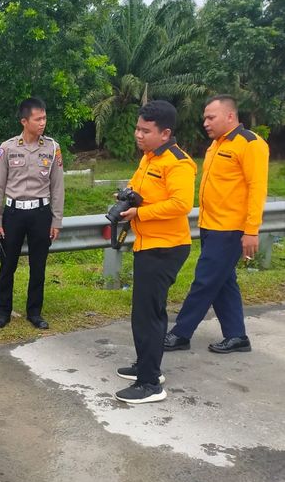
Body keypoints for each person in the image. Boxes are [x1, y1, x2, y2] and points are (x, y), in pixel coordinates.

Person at [164, 95, 269, 354]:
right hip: (211, 225)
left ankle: (180, 333)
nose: (205, 123)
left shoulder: (250, 143)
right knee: (223, 282)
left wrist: (251, 230)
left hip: (231, 228)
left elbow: (257, 189)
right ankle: (237, 336)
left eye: (211, 117)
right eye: (204, 118)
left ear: (230, 116)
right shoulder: (216, 145)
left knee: (205, 281)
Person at [114, 100, 196, 404]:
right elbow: (140, 189)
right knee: (142, 312)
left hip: (166, 247)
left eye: (145, 130)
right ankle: (146, 367)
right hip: (148, 244)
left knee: (150, 315)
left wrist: (139, 213)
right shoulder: (149, 158)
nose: (138, 134)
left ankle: (150, 385)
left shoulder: (178, 163)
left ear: (165, 133)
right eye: (137, 128)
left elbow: (181, 205)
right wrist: (127, 197)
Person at [0, 97, 64, 330]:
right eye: (38, 119)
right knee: (7, 265)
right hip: (13, 214)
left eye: (44, 118)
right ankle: (3, 312)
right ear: (24, 121)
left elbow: (58, 186)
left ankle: (35, 312)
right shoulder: (7, 148)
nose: (43, 123)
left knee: (38, 266)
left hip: (41, 214)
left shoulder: (52, 147)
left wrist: (57, 220)